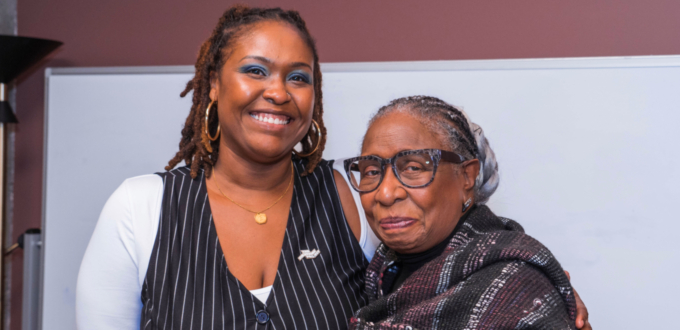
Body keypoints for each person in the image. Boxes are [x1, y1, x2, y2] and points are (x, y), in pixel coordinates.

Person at [76, 5, 591, 330]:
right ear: (212, 83)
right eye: (254, 70)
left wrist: (535, 288)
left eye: (298, 77)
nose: (277, 92)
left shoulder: (348, 196)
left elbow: (434, 274)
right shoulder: (142, 207)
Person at [344, 96, 586, 329]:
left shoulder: (516, 286)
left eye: (413, 168)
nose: (385, 194)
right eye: (372, 171)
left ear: (467, 176)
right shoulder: (380, 273)